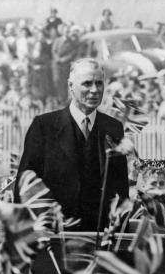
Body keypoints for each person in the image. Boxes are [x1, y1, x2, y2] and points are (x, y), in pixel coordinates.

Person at [15, 58, 128, 231]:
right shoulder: (44, 127)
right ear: (70, 86)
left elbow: (120, 189)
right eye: (87, 84)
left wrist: (120, 237)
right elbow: (25, 182)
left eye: (99, 83)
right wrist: (28, 230)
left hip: (100, 235)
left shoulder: (113, 128)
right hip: (56, 235)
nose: (94, 90)